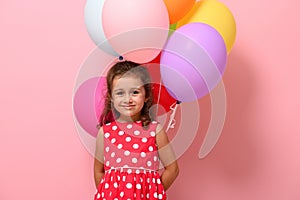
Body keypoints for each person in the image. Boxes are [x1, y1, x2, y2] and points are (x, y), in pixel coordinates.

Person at [94, 60, 179, 200]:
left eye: (135, 92)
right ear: (111, 97)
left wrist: (153, 193)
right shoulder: (105, 133)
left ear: (146, 96)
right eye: (120, 93)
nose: (128, 99)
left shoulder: (155, 131)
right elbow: (98, 171)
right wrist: (107, 193)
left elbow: (173, 169)